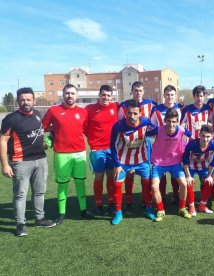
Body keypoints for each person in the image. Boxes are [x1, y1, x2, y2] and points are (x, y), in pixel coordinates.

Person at [1, 87, 56, 236]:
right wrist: (5, 164)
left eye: (28, 99)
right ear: (18, 101)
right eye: (22, 100)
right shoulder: (11, 119)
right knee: (20, 194)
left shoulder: (38, 114)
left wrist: (46, 143)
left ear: (34, 101)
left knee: (39, 192)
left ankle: (40, 219)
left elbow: (38, 134)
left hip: (40, 159)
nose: (25, 102)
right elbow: (3, 141)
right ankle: (20, 224)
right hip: (21, 162)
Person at [42, 84, 94, 225]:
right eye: (67, 93)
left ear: (76, 96)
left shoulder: (83, 112)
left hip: (80, 153)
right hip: (61, 154)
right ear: (62, 95)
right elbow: (44, 126)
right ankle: (61, 213)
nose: (70, 96)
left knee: (80, 182)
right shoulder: (54, 110)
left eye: (72, 93)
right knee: (63, 184)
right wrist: (52, 134)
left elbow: (86, 130)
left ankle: (83, 210)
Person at [110, 100, 154, 224]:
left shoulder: (146, 122)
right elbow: (112, 146)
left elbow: (155, 131)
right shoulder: (118, 126)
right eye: (129, 113)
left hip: (141, 159)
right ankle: (118, 212)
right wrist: (117, 165)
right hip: (123, 161)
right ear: (125, 113)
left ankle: (148, 208)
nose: (132, 116)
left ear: (140, 112)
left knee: (147, 183)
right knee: (117, 184)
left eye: (135, 113)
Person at [147, 108, 192, 222]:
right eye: (169, 121)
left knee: (183, 183)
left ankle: (182, 208)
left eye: (174, 122)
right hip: (158, 162)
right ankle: (160, 210)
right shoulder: (158, 130)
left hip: (175, 162)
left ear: (177, 121)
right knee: (154, 186)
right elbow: (145, 133)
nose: (171, 124)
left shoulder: (182, 130)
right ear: (165, 121)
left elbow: (191, 136)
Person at [118, 81, 157, 211]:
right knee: (129, 173)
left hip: (145, 141)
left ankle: (145, 201)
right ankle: (128, 199)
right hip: (128, 141)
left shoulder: (150, 104)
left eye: (140, 90)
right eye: (135, 90)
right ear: (132, 91)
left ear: (143, 91)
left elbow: (160, 112)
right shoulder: (124, 106)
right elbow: (119, 124)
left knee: (145, 171)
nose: (138, 93)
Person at [85, 85, 119, 215]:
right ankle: (98, 203)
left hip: (112, 148)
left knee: (111, 174)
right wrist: (93, 139)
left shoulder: (115, 106)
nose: (106, 98)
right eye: (104, 95)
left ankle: (110, 201)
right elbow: (84, 127)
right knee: (99, 176)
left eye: (109, 96)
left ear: (112, 97)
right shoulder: (90, 109)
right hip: (97, 149)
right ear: (99, 95)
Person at [181, 85, 212, 214]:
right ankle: (191, 205)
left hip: (205, 145)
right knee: (189, 178)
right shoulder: (187, 109)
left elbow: (211, 124)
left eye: (201, 95)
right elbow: (181, 125)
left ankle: (203, 203)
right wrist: (189, 135)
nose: (199, 98)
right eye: (197, 95)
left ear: (204, 96)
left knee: (206, 179)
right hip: (191, 146)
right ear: (194, 96)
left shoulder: (207, 109)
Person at [150, 85, 182, 203]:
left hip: (175, 147)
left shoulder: (180, 108)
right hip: (161, 147)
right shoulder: (156, 109)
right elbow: (151, 124)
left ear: (175, 96)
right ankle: (162, 196)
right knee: (161, 174)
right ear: (164, 96)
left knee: (175, 172)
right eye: (167, 95)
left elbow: (183, 125)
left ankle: (175, 194)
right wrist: (161, 131)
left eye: (172, 94)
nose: (170, 97)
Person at [183, 124, 214, 214]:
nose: (205, 139)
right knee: (189, 182)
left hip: (204, 166)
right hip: (191, 166)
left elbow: (213, 161)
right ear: (199, 135)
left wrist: (209, 176)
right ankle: (191, 206)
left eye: (208, 136)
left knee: (209, 181)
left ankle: (202, 205)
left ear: (212, 137)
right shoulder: (191, 145)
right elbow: (185, 161)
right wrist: (188, 176)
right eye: (203, 136)